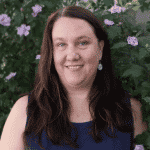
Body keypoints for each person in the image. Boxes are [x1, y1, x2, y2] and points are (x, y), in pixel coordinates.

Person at [0, 5, 148, 150]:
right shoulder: (24, 111)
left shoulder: (131, 111)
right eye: (61, 44)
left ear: (100, 49)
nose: (72, 55)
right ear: (51, 53)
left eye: (82, 43)